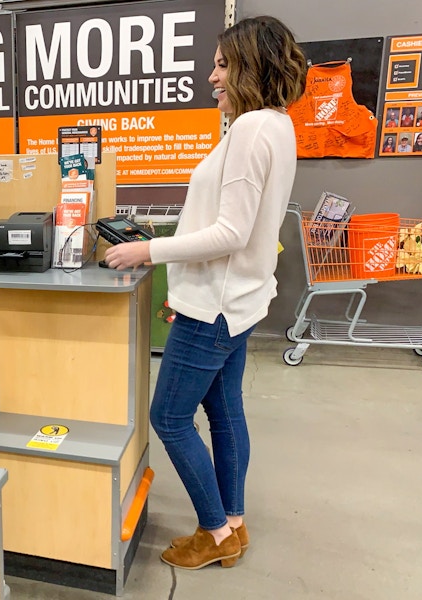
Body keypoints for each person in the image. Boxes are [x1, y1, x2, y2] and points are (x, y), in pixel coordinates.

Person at [104, 16, 306, 571]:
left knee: (169, 418)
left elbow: (230, 233)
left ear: (248, 66)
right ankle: (233, 524)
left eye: (221, 64)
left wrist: (147, 251)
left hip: (214, 308)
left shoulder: (248, 131)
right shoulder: (276, 125)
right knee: (224, 411)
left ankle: (214, 532)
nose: (212, 76)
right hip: (239, 300)